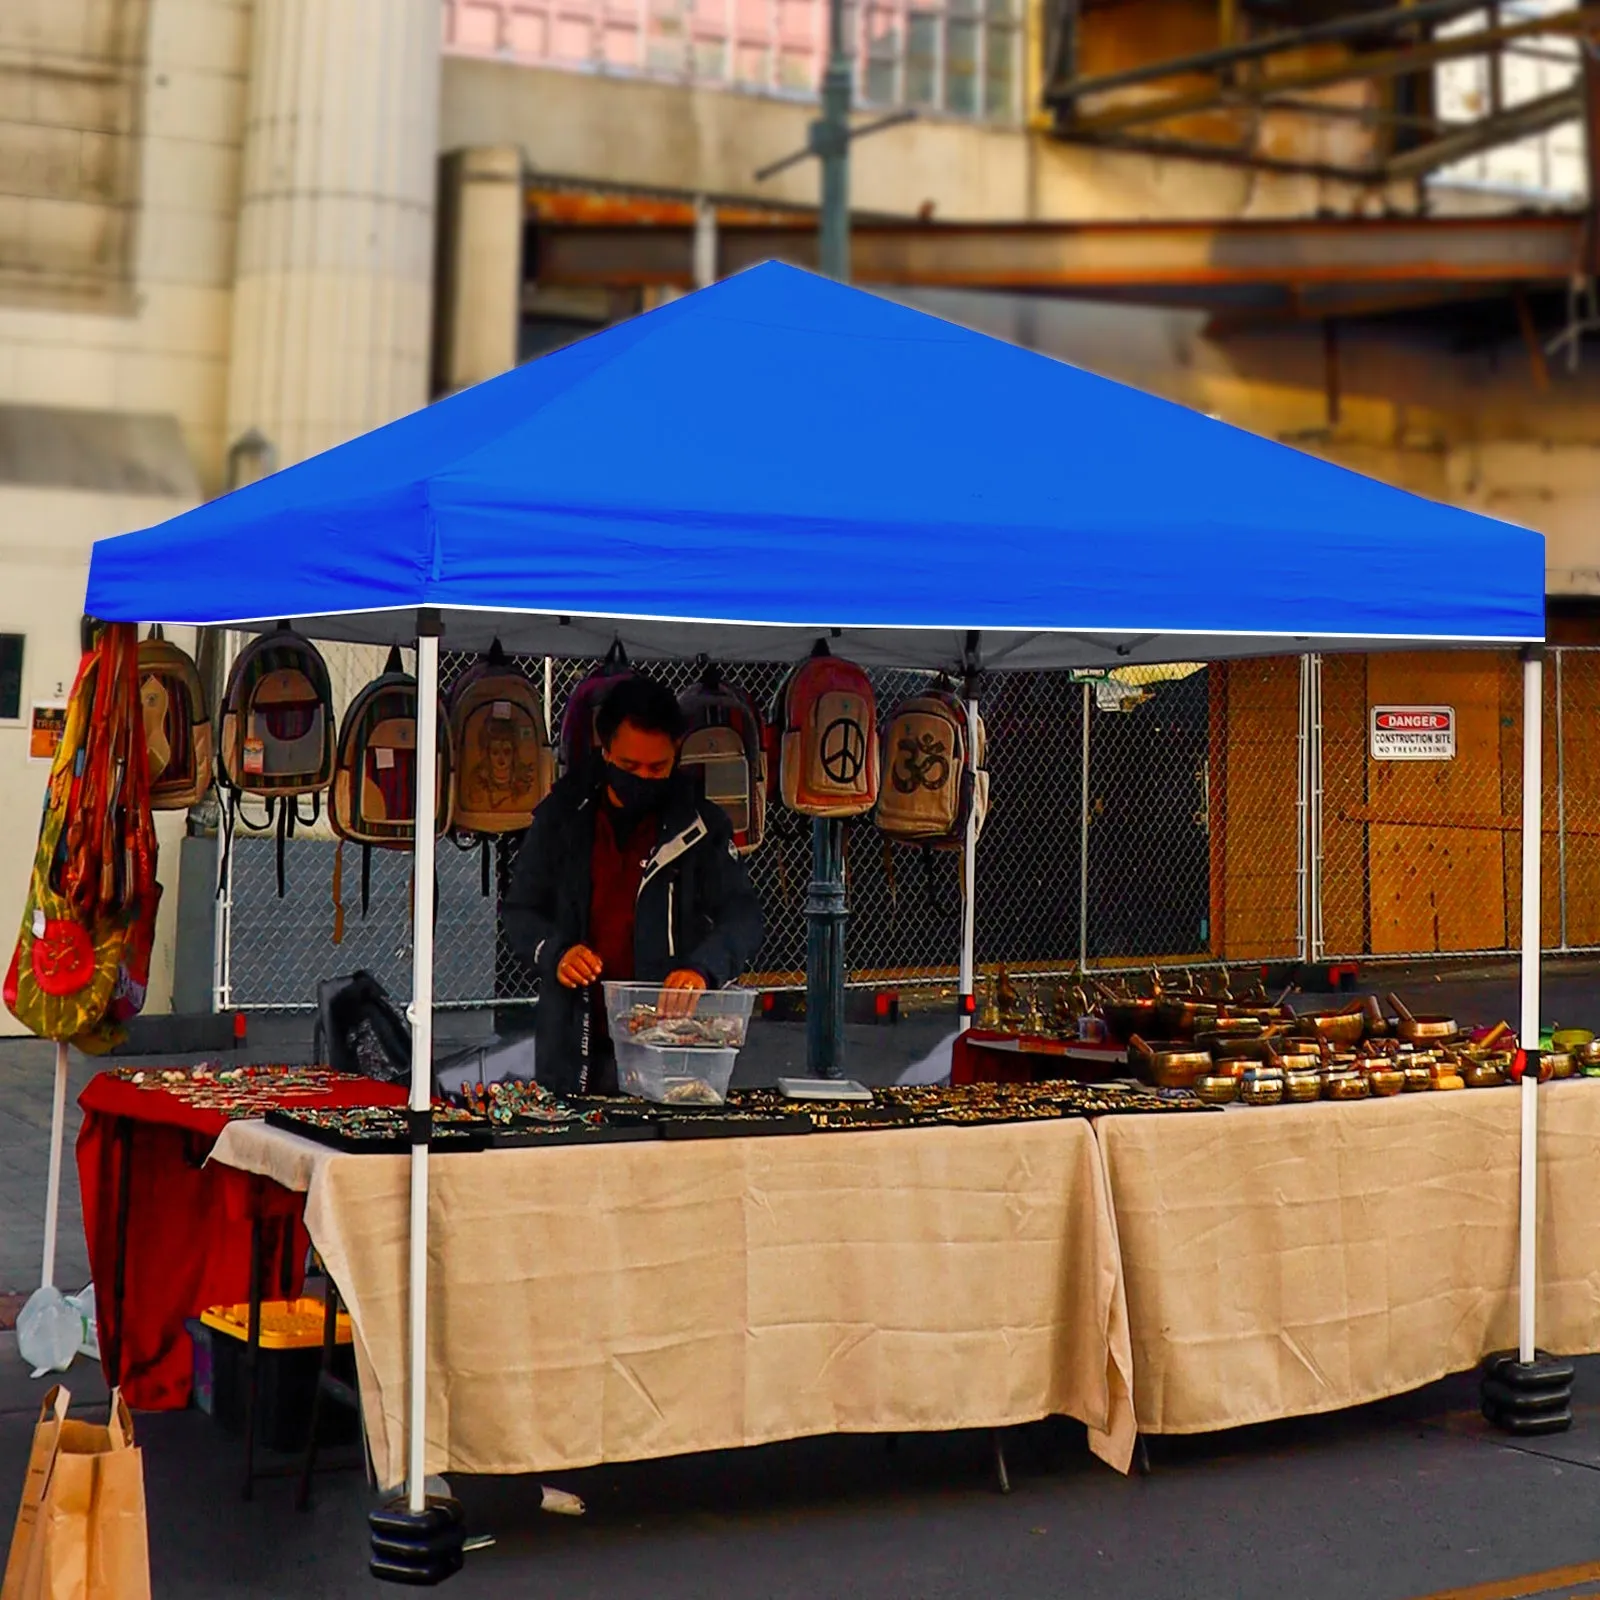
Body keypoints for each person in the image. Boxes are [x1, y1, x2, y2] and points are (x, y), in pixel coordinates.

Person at [501, 673, 763, 1095]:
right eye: (628, 766)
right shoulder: (561, 817)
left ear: (677, 753)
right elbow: (519, 912)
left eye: (657, 767)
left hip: (671, 1044)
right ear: (605, 752)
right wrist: (555, 953)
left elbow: (743, 916)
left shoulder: (703, 826)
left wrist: (702, 969)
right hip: (575, 1040)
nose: (642, 777)